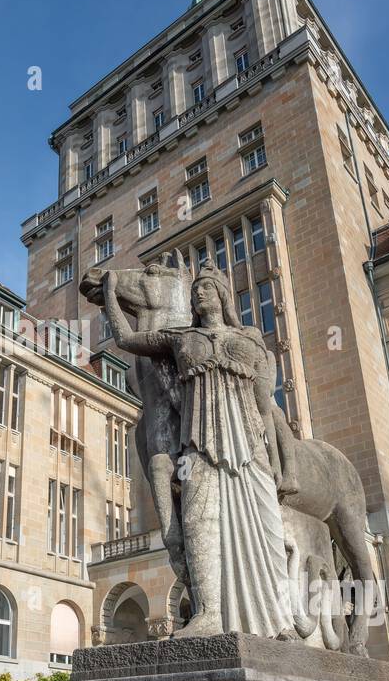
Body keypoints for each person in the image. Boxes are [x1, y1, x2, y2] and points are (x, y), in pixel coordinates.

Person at [103, 264, 294, 639]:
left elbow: (263, 405)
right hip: (200, 444)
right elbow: (127, 340)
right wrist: (110, 294)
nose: (199, 295)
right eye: (195, 292)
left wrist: (274, 459)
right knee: (197, 523)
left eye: (206, 288)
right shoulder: (180, 338)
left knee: (266, 529)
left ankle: (280, 619)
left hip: (249, 446)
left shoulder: (250, 339)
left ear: (223, 295)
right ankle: (208, 612)